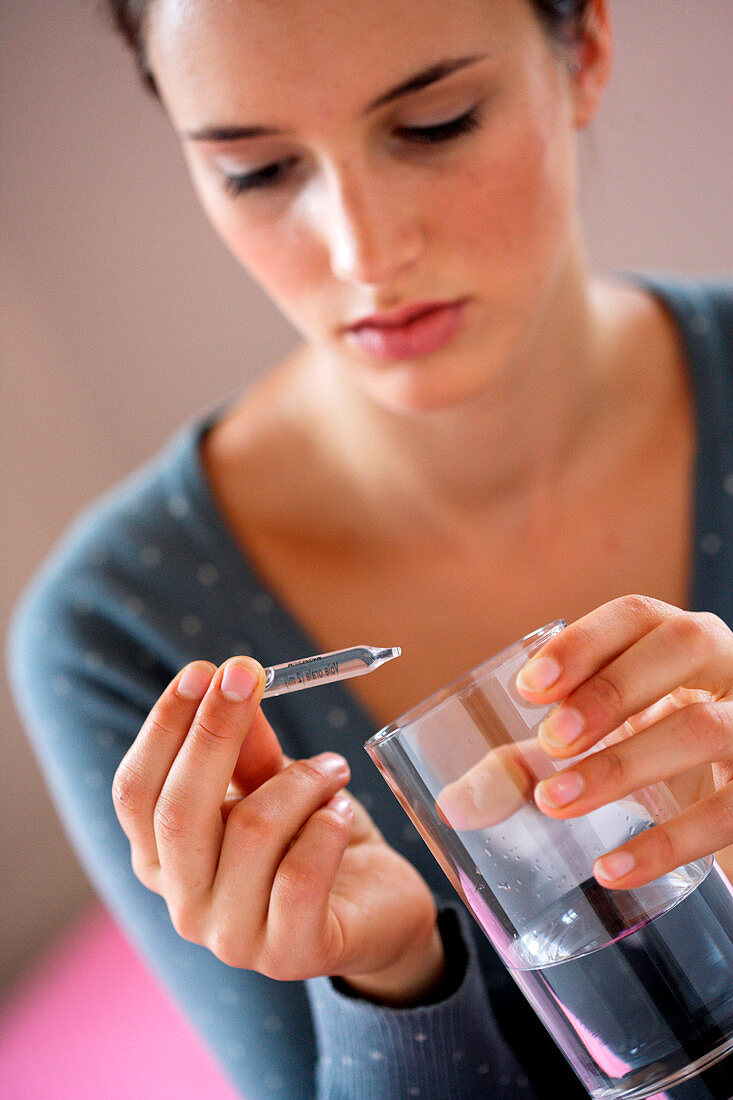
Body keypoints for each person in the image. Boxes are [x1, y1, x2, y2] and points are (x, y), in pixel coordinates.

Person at [6, 1, 733, 1097]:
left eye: (435, 123)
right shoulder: (118, 623)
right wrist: (391, 979)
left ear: (582, 49)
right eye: (255, 169)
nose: (363, 250)